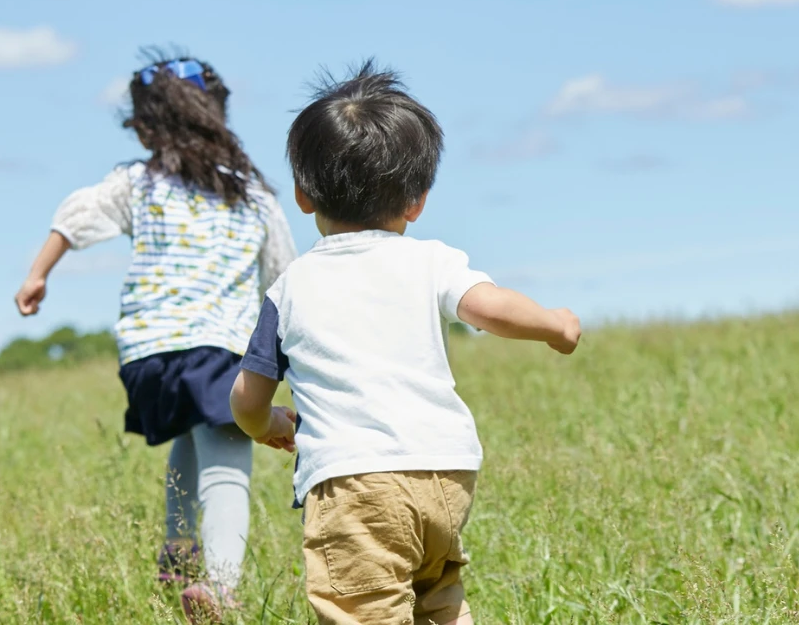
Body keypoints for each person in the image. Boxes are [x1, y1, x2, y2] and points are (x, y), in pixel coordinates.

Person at [228, 62, 582, 625]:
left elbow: (246, 398)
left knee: (364, 610)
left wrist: (267, 424)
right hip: (446, 476)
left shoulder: (291, 287)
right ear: (416, 199)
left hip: (356, 485)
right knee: (438, 602)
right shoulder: (431, 260)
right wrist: (554, 324)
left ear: (301, 194)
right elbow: (490, 308)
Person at [13, 52, 296, 622]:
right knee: (227, 460)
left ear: (147, 126)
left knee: (190, 438)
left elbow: (78, 214)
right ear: (218, 118)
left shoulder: (138, 183)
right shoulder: (252, 197)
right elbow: (286, 278)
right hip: (216, 342)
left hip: (148, 353)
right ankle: (220, 588)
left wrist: (38, 272)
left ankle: (178, 556)